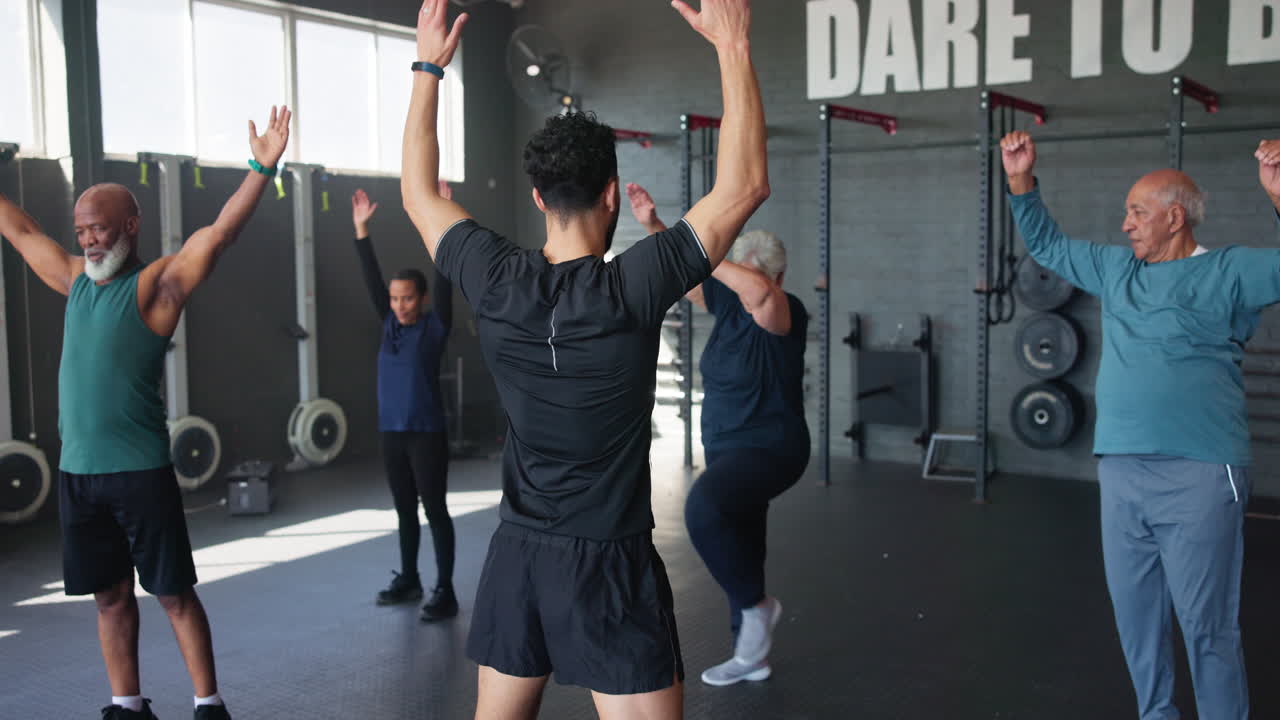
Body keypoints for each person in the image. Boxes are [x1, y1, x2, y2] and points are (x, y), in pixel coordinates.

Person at [400, 0, 769, 716]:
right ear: (611, 195)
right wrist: (733, 44)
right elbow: (744, 186)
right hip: (608, 559)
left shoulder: (493, 273)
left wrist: (428, 70)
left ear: (538, 196)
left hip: (519, 555)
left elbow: (417, 194)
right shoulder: (633, 284)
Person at [0, 105, 292, 719]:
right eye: (80, 230)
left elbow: (217, 235)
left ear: (129, 224)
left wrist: (260, 169)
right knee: (108, 598)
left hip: (138, 472)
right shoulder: (75, 279)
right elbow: (25, 233)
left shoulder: (156, 286)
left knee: (172, 594)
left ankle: (208, 704)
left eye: (98, 229)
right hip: (80, 475)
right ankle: (127, 705)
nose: (87, 240)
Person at [1001, 131, 1280, 720]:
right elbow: (1048, 246)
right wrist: (1021, 180)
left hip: (1202, 472)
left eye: (1137, 211)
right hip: (1124, 472)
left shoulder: (1229, 271)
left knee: (1208, 627)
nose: (1125, 223)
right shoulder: (1115, 268)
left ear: (1174, 217)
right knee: (1138, 621)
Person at [628, 184, 809, 686]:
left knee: (704, 509)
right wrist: (654, 227)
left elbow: (756, 292)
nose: (741, 286)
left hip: (772, 448)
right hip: (729, 447)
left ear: (775, 275)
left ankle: (757, 607)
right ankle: (750, 654)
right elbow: (690, 279)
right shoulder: (728, 306)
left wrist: (709, 253)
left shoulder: (783, 310)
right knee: (743, 538)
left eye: (753, 274)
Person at [350, 185, 457, 622]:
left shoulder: (433, 329)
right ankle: (410, 578)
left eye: (407, 298)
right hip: (392, 434)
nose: (398, 305)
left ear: (422, 299)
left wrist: (443, 218)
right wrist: (361, 230)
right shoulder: (390, 327)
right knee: (404, 510)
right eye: (395, 300)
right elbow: (372, 279)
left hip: (426, 435)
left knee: (434, 510)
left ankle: (444, 589)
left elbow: (444, 277)